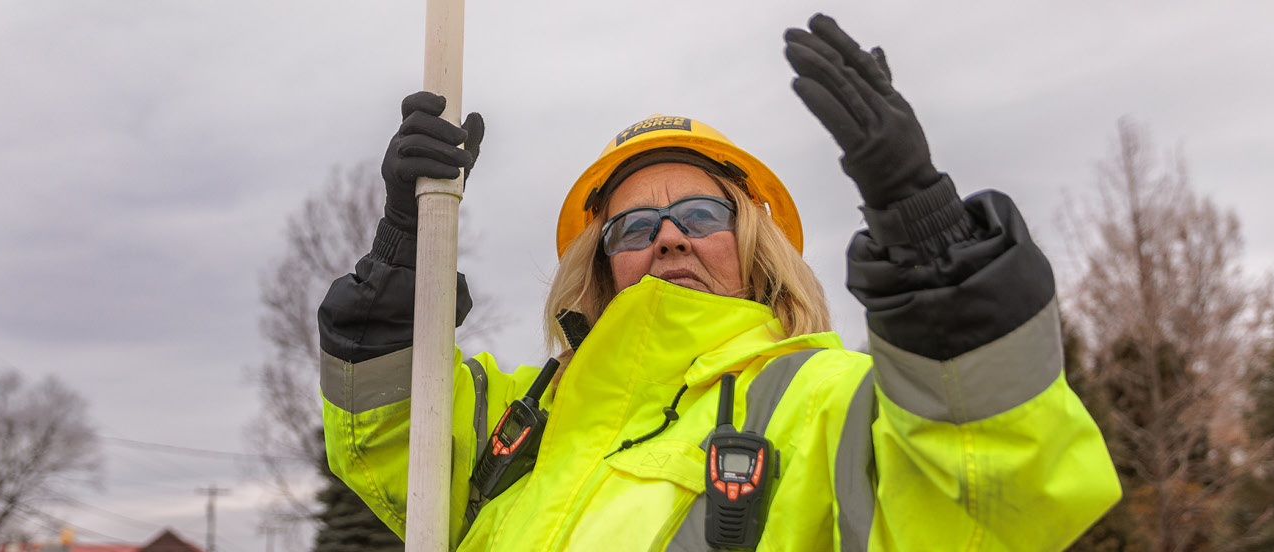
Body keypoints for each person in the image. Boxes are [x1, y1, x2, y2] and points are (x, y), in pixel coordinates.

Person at [317, 14, 1119, 551]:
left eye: (699, 214)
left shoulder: (825, 405)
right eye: (632, 227)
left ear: (754, 245)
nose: (667, 236)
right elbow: (387, 441)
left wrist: (931, 239)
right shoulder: (525, 425)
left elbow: (1001, 493)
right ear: (600, 265)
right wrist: (403, 254)